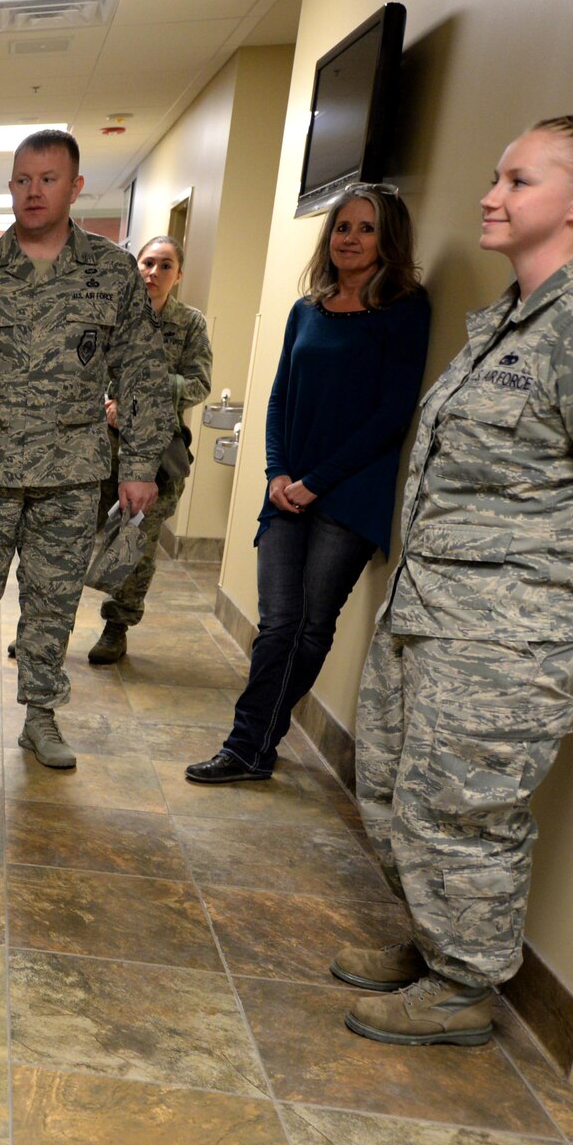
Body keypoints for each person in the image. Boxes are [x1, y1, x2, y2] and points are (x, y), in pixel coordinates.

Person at [337, 115, 573, 1045]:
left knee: (462, 808)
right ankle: (433, 938)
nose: (492, 196)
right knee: (391, 787)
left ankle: (462, 989)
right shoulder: (508, 321)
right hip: (435, 606)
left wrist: (569, 598)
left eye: (519, 182)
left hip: (513, 629)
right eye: (497, 177)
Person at [0, 129, 168, 771]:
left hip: (71, 476)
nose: (34, 191)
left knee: (53, 601)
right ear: (10, 188)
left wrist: (139, 465)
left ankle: (41, 716)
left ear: (75, 187)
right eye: (23, 180)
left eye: (49, 179)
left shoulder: (111, 272)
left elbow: (141, 370)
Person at [186, 186, 430, 785]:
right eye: (342, 226)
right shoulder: (307, 309)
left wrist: (316, 483)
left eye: (365, 228)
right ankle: (251, 744)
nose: (349, 238)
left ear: (388, 239)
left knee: (312, 626)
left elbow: (391, 414)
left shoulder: (405, 310)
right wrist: (276, 474)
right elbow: (279, 400)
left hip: (349, 496)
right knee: (279, 623)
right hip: (287, 493)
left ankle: (250, 744)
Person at [87, 236, 214, 664]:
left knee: (132, 547)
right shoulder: (110, 315)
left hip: (156, 457)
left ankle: (116, 627)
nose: (153, 273)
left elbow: (197, 383)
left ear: (178, 276)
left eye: (165, 266)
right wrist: (107, 401)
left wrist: (138, 395)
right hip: (96, 450)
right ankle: (50, 627)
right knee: (67, 541)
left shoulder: (189, 324)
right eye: (147, 263)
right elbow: (84, 371)